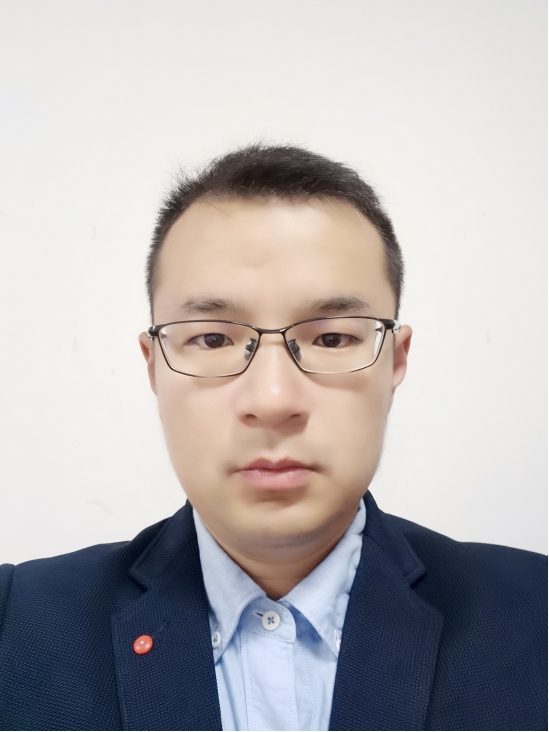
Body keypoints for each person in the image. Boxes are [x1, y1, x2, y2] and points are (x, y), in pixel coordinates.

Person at [0, 145, 546, 732]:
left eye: (332, 339)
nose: (273, 400)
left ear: (395, 361)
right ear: (154, 365)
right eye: (212, 339)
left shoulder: (534, 616)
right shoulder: (17, 624)